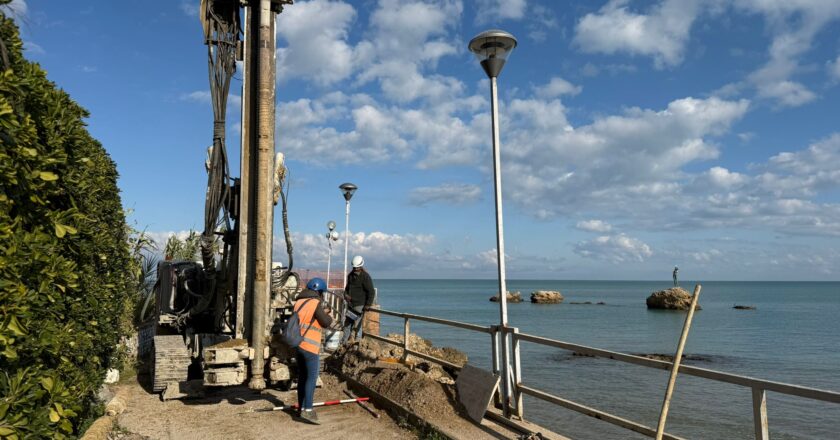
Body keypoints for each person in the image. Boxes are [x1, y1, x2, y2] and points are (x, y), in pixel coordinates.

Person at [293, 277, 333, 425]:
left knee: (302, 377)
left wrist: (322, 312)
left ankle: (301, 408)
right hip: (310, 347)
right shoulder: (315, 303)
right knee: (311, 378)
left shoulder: (298, 302)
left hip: (298, 345)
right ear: (319, 292)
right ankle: (308, 410)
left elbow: (306, 319)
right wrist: (327, 314)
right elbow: (326, 322)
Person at [343, 255, 375, 342]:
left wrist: (368, 304)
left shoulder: (365, 277)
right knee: (347, 324)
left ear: (361, 266)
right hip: (351, 305)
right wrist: (345, 295)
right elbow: (346, 289)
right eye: (354, 267)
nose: (355, 269)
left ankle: (357, 342)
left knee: (357, 325)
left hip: (360, 305)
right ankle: (344, 342)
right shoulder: (350, 276)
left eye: (357, 267)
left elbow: (371, 292)